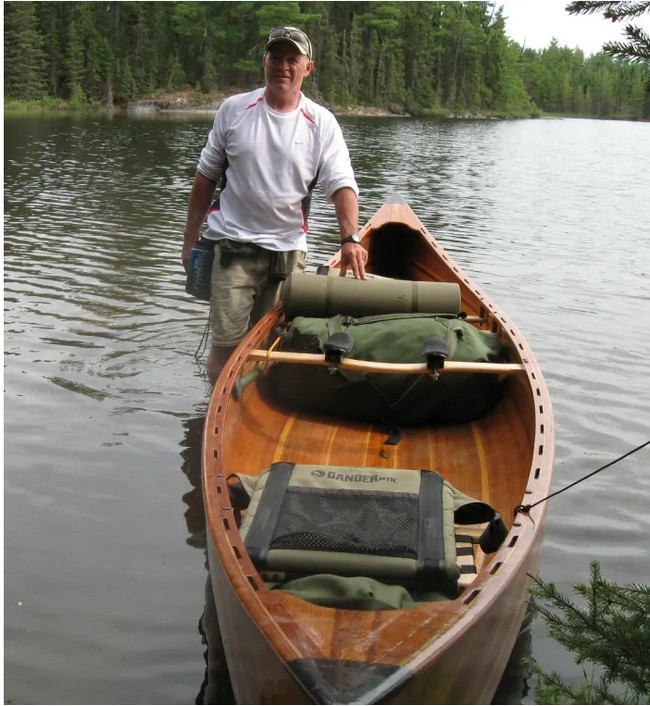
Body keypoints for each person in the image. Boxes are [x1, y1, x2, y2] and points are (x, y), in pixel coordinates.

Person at [182, 26, 367, 385]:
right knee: (225, 345)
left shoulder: (322, 123)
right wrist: (190, 242)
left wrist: (351, 239)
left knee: (271, 343)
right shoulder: (233, 111)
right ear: (265, 62)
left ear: (307, 68)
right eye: (276, 58)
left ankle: (254, 404)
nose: (283, 66)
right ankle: (214, 413)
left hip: (287, 253)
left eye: (292, 59)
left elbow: (342, 184)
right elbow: (205, 179)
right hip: (231, 248)